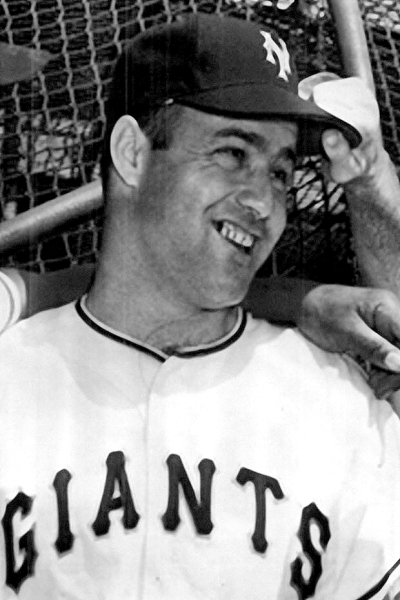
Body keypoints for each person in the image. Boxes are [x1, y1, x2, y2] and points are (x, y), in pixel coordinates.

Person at [1, 14, 400, 598]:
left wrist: (373, 180)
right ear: (132, 153)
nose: (263, 201)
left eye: (281, 173)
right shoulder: (13, 371)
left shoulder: (340, 405)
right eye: (232, 153)